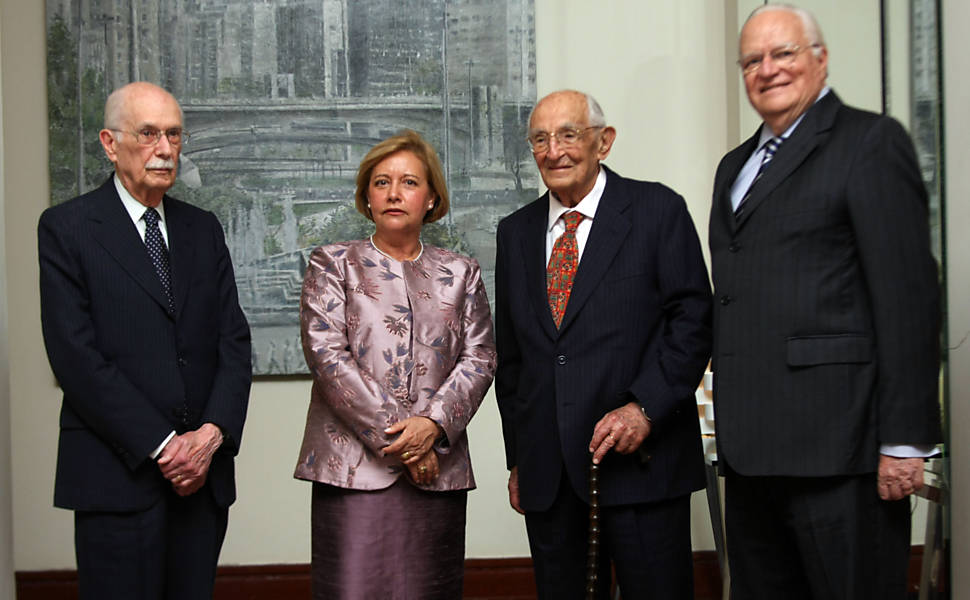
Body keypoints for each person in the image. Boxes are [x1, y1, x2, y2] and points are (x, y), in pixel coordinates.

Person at [708, 5, 942, 599]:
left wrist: (905, 441)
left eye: (783, 53)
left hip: (843, 452)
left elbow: (909, 299)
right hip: (752, 456)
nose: (768, 70)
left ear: (821, 58)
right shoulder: (734, 167)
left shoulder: (870, 142)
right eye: (753, 60)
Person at [494, 90, 712, 599]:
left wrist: (645, 407)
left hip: (643, 465)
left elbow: (694, 320)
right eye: (541, 139)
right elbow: (513, 358)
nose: (554, 151)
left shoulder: (657, 210)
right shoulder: (515, 233)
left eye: (568, 135)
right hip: (550, 477)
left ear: (603, 142)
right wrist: (519, 459)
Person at [38, 81, 252, 599]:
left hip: (201, 483)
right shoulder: (67, 229)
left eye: (174, 135)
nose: (164, 148)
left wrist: (210, 437)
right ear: (110, 144)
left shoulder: (203, 229)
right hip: (117, 480)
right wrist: (163, 447)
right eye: (149, 133)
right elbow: (76, 358)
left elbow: (234, 343)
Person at [294, 129, 497, 599]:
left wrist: (433, 426)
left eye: (408, 182)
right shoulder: (332, 264)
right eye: (381, 182)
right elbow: (327, 357)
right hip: (353, 470)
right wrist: (409, 442)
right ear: (367, 195)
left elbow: (481, 357)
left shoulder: (461, 273)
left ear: (431, 198)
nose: (393, 192)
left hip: (437, 472)